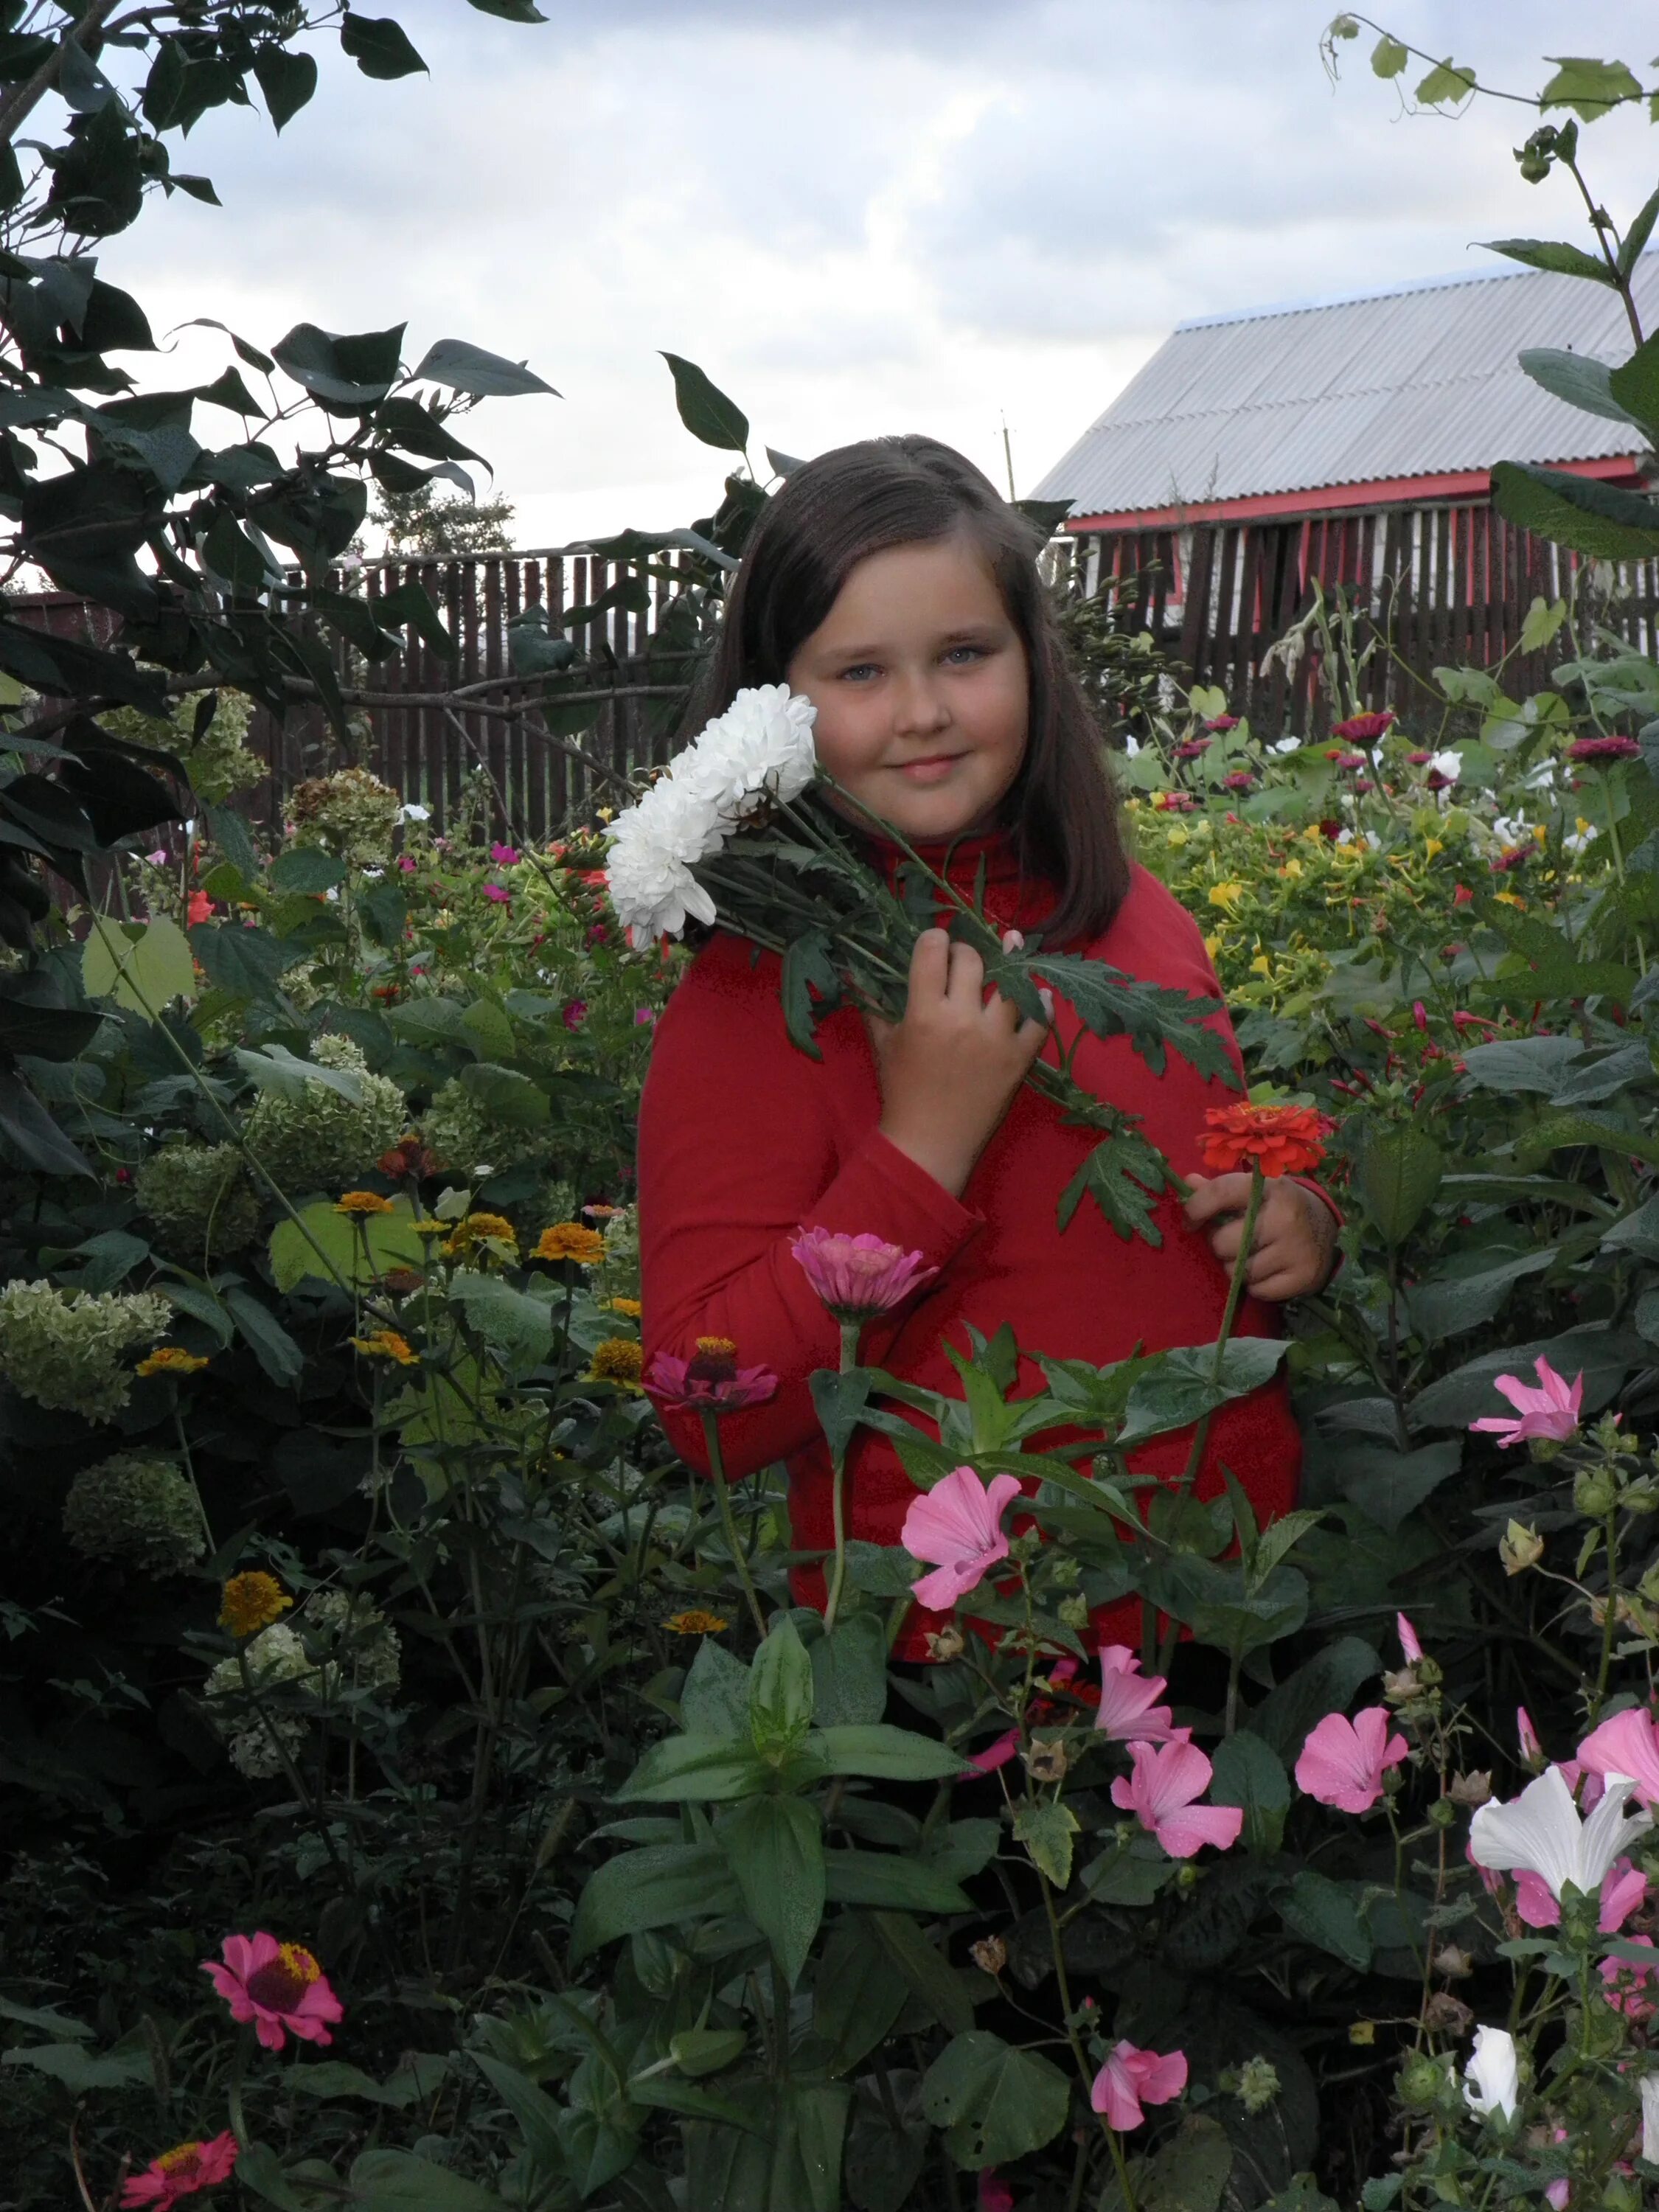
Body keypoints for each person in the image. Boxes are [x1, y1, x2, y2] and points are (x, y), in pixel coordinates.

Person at [636, 435, 1338, 1657]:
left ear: (1032, 658)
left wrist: (1293, 1228)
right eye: (859, 671)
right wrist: (921, 1148)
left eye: (965, 654)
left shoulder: (1130, 916)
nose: (921, 712)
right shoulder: (760, 993)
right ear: (774, 707)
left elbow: (1199, 1193)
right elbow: (707, 1411)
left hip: (1226, 1605)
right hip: (965, 1675)